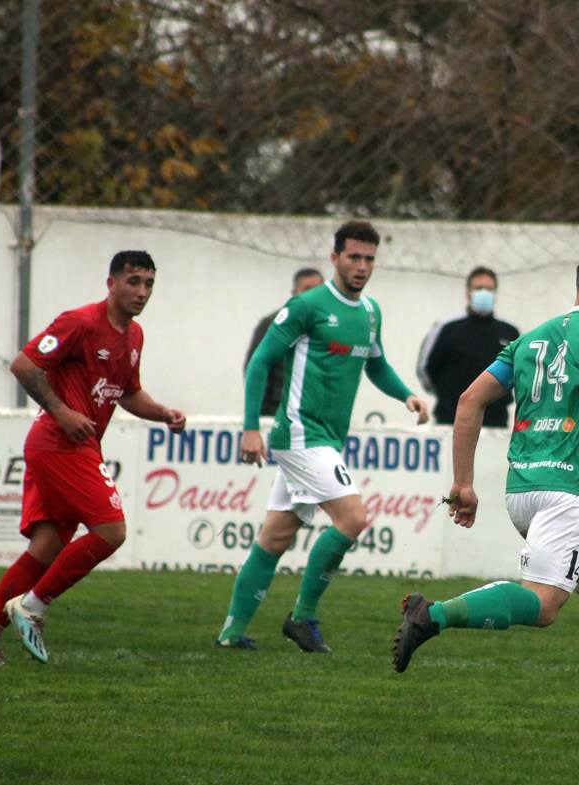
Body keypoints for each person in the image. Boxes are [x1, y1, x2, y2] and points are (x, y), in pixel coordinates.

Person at [393, 244, 579, 750]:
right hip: (566, 494)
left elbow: (469, 400)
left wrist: (464, 484)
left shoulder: (529, 338)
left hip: (522, 492)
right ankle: (433, 616)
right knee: (543, 607)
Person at [0, 251, 186, 667]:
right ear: (111, 283)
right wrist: (62, 412)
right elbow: (24, 364)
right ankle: (33, 606)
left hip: (78, 446)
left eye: (149, 283)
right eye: (133, 281)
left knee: (46, 548)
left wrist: (163, 412)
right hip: (58, 443)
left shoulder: (134, 336)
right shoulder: (79, 322)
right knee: (112, 531)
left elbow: (128, 391)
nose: (142, 291)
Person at [216, 220, 429, 652]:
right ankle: (303, 617)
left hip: (325, 439)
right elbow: (260, 362)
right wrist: (251, 428)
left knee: (276, 535)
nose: (362, 265)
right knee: (353, 518)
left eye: (369, 258)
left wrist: (406, 394)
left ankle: (231, 632)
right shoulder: (307, 306)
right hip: (298, 433)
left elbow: (376, 364)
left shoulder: (370, 312)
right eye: (353, 256)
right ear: (334, 258)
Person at [416, 266, 519, 426]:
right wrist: (448, 397)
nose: (484, 293)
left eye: (489, 289)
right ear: (468, 292)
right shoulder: (446, 328)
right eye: (479, 288)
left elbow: (519, 375)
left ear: (495, 293)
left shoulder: (510, 331)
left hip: (496, 425)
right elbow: (425, 370)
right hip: (450, 422)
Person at [246, 268, 325, 417]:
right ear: (294, 293)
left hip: (316, 414)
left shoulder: (331, 326)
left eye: (318, 289)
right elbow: (255, 367)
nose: (313, 295)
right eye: (307, 289)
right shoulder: (273, 323)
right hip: (278, 410)